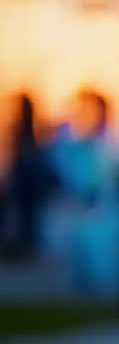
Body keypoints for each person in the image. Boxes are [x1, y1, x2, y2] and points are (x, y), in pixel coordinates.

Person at [2, 94, 58, 260]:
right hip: (26, 182)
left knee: (25, 216)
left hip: (26, 182)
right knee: (25, 217)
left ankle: (24, 246)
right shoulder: (24, 130)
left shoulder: (26, 131)